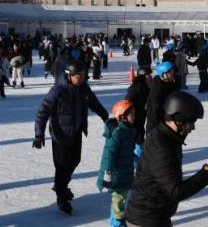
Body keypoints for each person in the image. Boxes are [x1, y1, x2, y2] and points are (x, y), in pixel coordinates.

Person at [126, 91, 208, 227]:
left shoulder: (167, 138)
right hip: (146, 219)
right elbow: (176, 191)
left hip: (155, 216)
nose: (193, 127)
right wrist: (205, 176)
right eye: (191, 122)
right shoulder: (162, 146)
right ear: (179, 119)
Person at [33, 59, 109, 215]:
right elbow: (43, 112)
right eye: (78, 75)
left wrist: (106, 117)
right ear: (69, 75)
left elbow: (94, 103)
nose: (81, 78)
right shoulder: (58, 90)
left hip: (76, 132)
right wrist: (39, 135)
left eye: (83, 75)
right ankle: (61, 196)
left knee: (74, 161)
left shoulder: (83, 88)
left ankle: (60, 185)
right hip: (60, 135)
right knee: (62, 166)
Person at [97, 100, 137, 227]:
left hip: (125, 173)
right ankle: (118, 224)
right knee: (118, 200)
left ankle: (120, 220)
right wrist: (107, 173)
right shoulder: (118, 133)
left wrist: (140, 160)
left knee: (124, 198)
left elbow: (129, 151)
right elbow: (109, 154)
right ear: (122, 116)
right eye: (132, 114)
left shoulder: (129, 130)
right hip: (116, 174)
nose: (134, 117)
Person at [125, 67, 152, 159]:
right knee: (137, 136)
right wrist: (130, 114)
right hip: (134, 118)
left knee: (139, 134)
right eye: (149, 75)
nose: (151, 77)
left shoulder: (146, 87)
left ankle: (138, 154)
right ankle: (136, 156)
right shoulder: (136, 88)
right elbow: (127, 101)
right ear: (143, 76)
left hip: (141, 117)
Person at [145, 61, 178, 134]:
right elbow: (156, 110)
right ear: (163, 74)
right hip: (156, 124)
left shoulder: (170, 83)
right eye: (171, 73)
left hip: (168, 121)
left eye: (173, 72)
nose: (173, 75)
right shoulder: (157, 88)